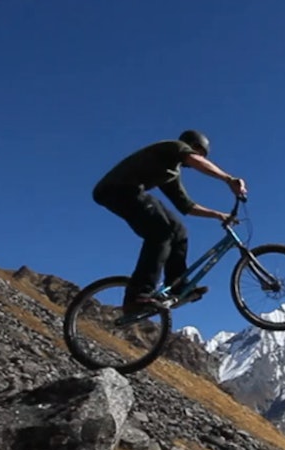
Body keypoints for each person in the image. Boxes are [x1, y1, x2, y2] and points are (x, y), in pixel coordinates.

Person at [92, 130, 247, 313]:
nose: (198, 159)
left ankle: (177, 285)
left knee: (179, 230)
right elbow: (195, 160)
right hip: (118, 189)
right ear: (192, 146)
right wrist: (229, 179)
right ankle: (139, 295)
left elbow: (187, 206)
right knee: (161, 232)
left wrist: (218, 215)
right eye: (199, 153)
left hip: (132, 192)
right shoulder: (173, 146)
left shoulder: (171, 173)